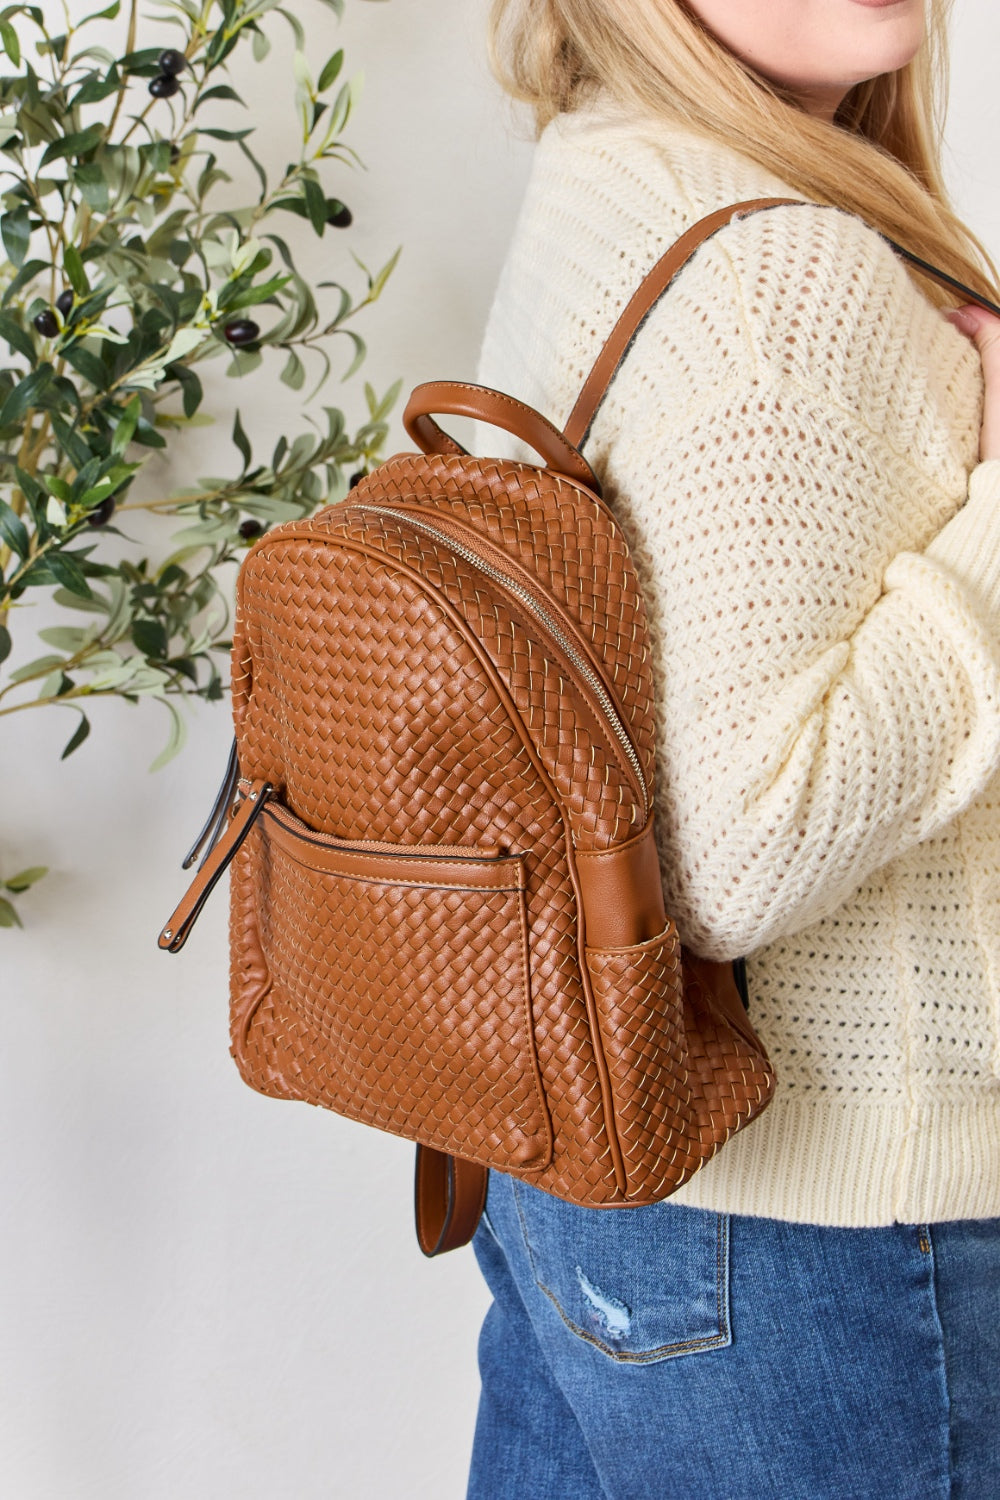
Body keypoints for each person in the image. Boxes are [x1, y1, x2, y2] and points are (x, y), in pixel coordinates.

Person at [466, 2, 1000, 1496]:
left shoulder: (617, 166)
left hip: (590, 1162)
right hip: (821, 1231)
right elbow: (737, 855)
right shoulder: (784, 268)